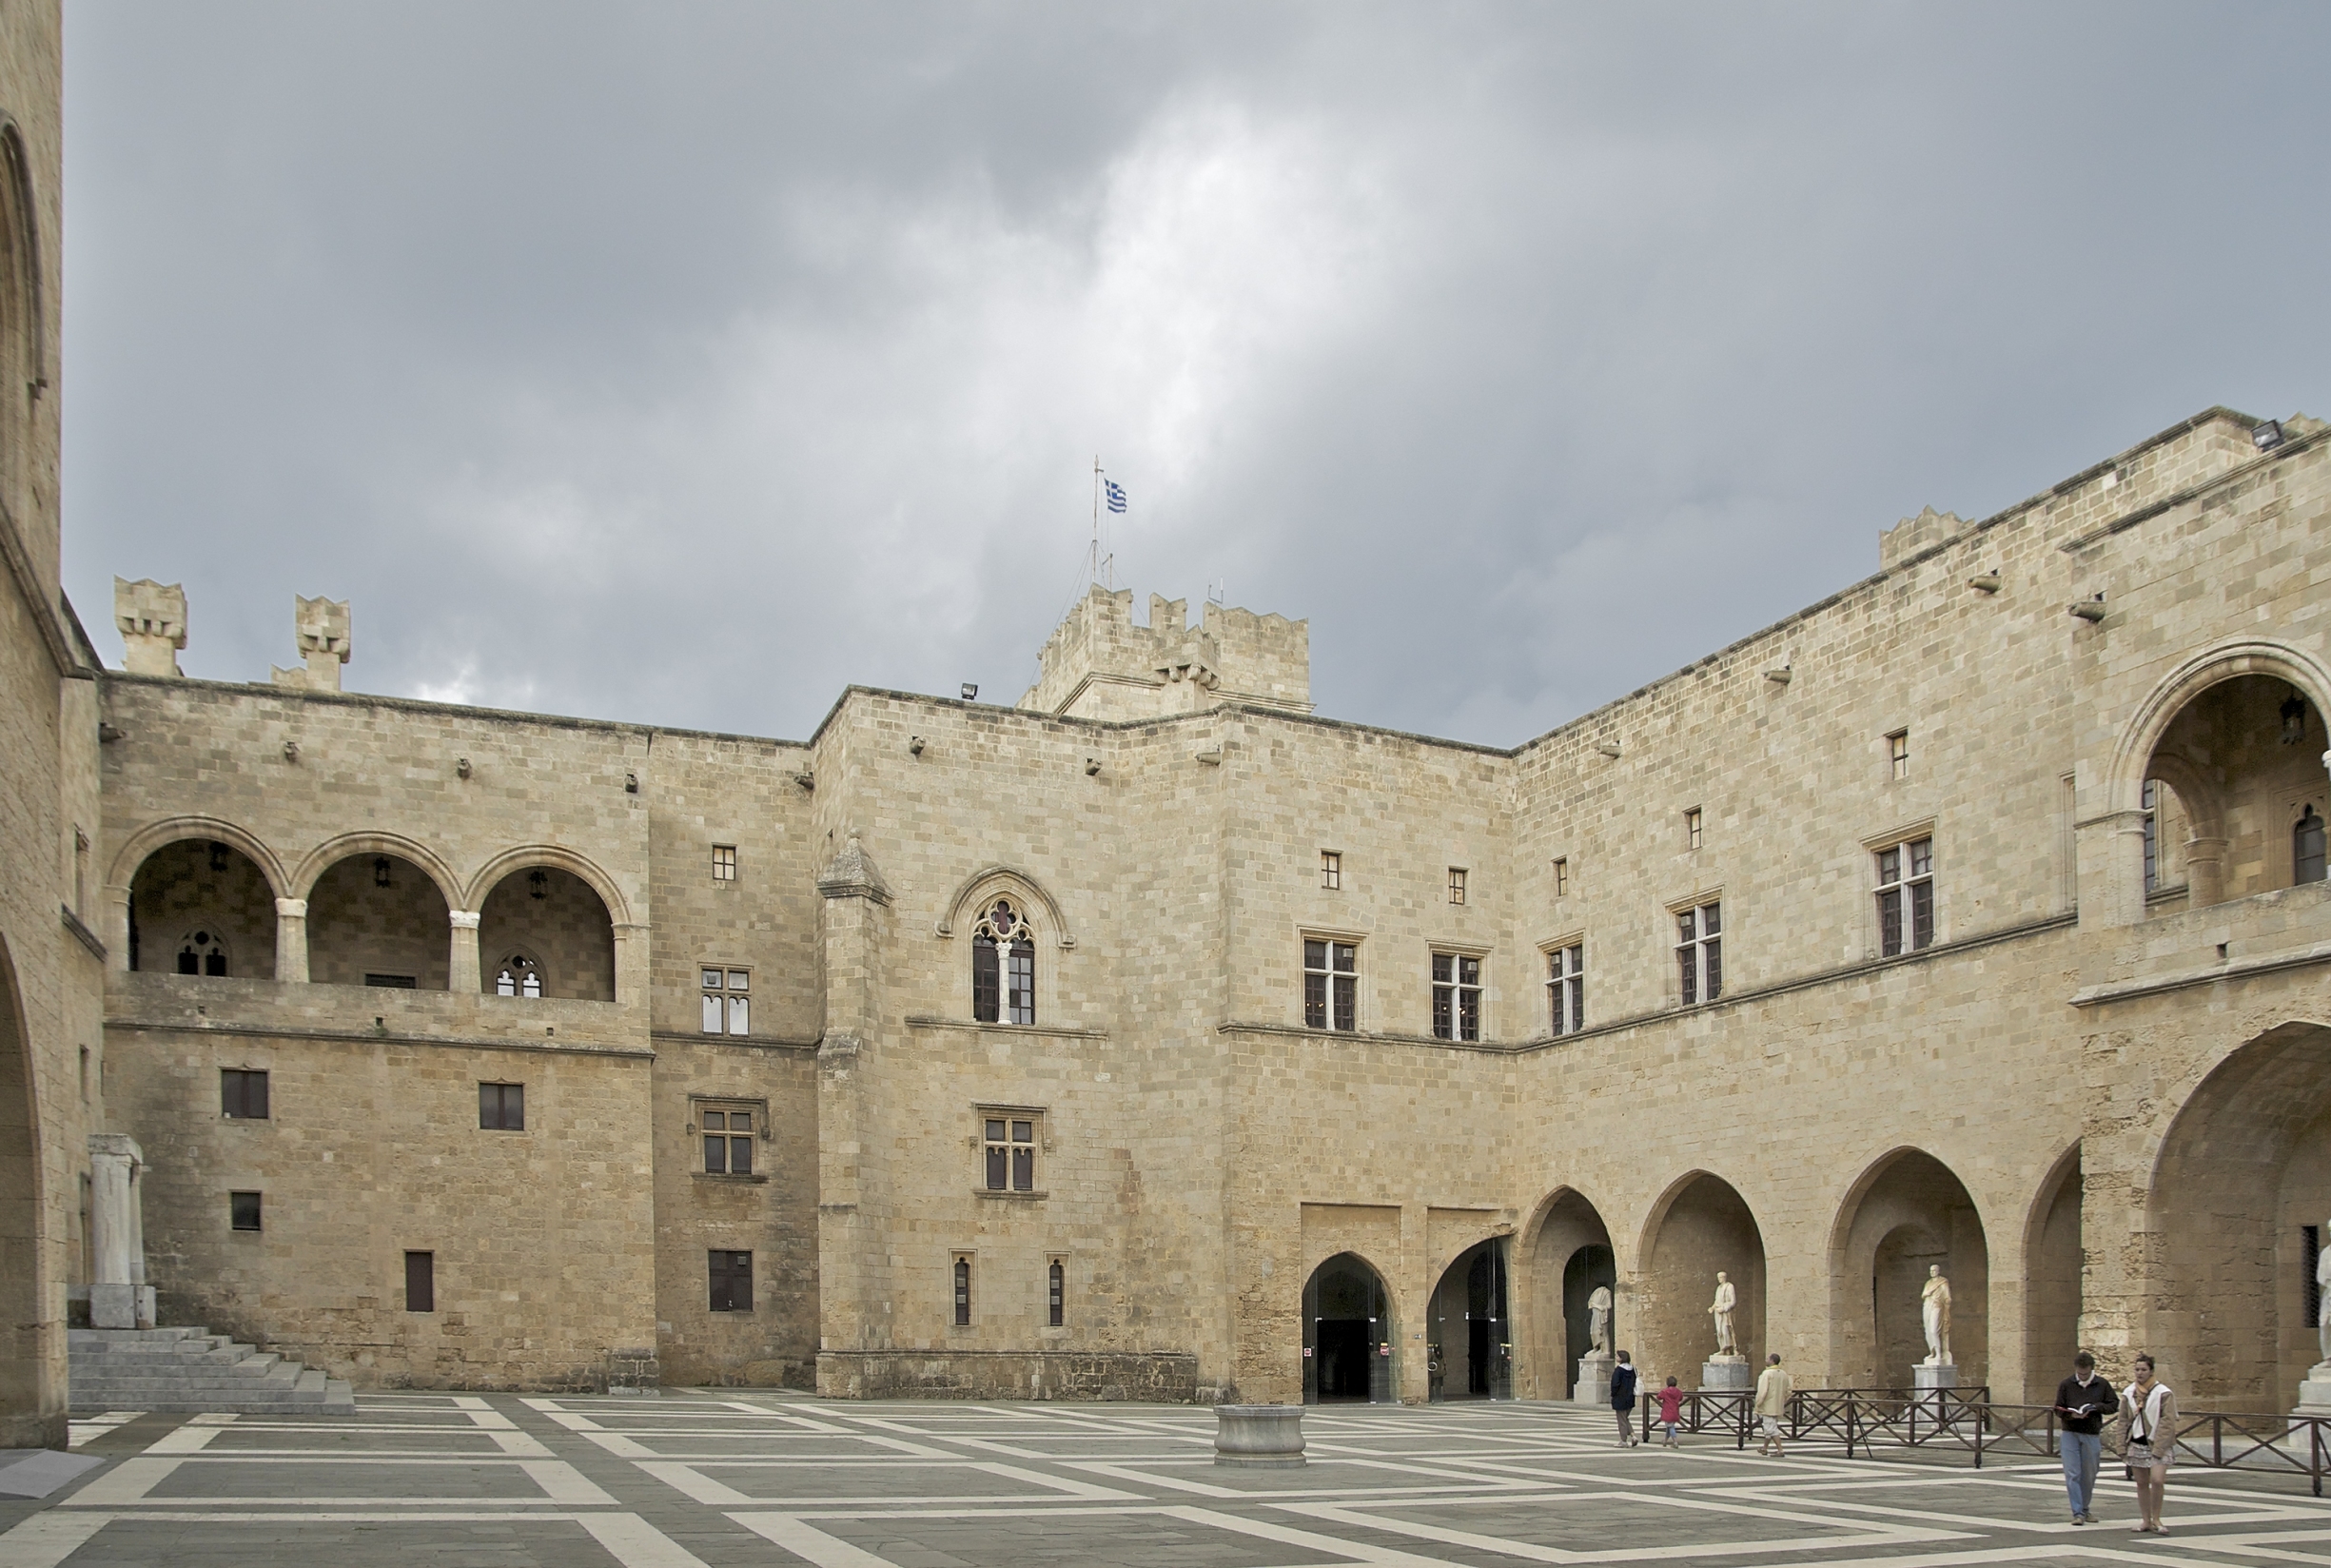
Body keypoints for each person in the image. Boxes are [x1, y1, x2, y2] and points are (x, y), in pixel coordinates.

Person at [2119, 1353, 2177, 1535]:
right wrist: (2120, 1446)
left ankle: (2157, 1518)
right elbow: (2123, 1420)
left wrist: (2159, 1448)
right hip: (2137, 1442)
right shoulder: (2129, 1393)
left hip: (2156, 1443)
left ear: (2151, 1371)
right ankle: (2146, 1520)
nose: (2139, 1373)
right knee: (2141, 1483)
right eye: (2137, 1369)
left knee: (2157, 1480)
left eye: (2143, 1369)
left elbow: (2168, 1422)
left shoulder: (2163, 1393)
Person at [2053, 1351, 2112, 1524]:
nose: (2083, 1376)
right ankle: (2077, 1512)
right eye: (2080, 1373)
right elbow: (2058, 1407)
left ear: (2091, 1370)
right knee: (2073, 1473)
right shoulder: (2066, 1384)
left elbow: (2113, 1404)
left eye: (2085, 1374)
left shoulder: (2102, 1384)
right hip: (2070, 1431)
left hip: (2091, 1432)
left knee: (2089, 1473)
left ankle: (2085, 1509)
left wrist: (2096, 1407)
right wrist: (2070, 1415)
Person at [1753, 1352, 1792, 1458]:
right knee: (1770, 1426)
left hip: (1768, 1405)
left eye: (1767, 1359)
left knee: (1771, 1428)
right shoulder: (1783, 1374)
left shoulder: (1767, 1374)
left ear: (1772, 1361)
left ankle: (1780, 1449)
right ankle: (1765, 1448)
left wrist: (1758, 1403)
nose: (1766, 1360)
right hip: (1778, 1405)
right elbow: (1788, 1391)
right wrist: (1782, 1401)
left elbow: (1762, 1391)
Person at [1610, 1351, 1639, 1446]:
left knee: (1621, 1420)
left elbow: (1615, 1384)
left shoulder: (1618, 1370)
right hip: (1630, 1397)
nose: (1616, 1357)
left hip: (1620, 1398)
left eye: (1617, 1356)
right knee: (1625, 1418)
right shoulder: (1633, 1369)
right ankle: (1633, 1436)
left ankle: (1623, 1440)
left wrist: (1613, 1395)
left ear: (1622, 1358)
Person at [1657, 1375, 1684, 1447]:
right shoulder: (1678, 1391)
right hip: (1675, 1411)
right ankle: (1665, 1441)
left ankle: (1675, 1442)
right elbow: (1681, 1398)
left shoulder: (1665, 1391)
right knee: (1669, 1426)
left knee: (1671, 1427)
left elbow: (1659, 1397)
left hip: (1667, 1411)